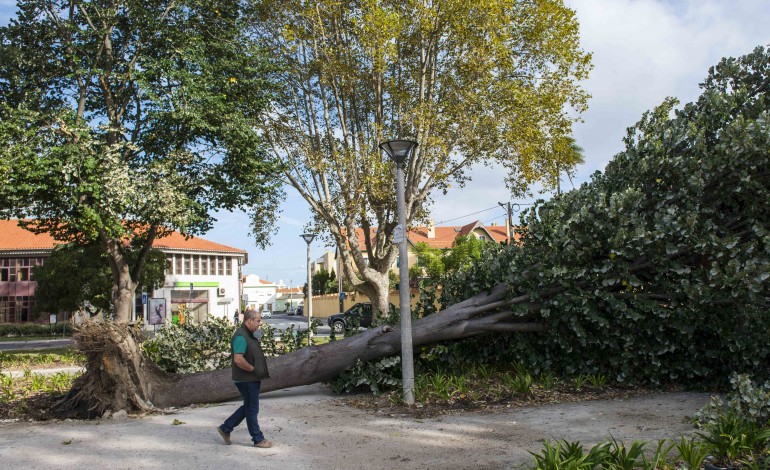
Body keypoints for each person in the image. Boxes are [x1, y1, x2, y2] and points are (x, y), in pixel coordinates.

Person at [216, 309, 272, 448]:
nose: (260, 324)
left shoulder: (249, 334)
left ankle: (225, 428)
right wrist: (253, 369)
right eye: (258, 321)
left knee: (248, 406)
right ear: (249, 321)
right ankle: (258, 439)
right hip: (246, 379)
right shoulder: (241, 337)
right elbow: (238, 360)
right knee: (252, 408)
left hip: (250, 379)